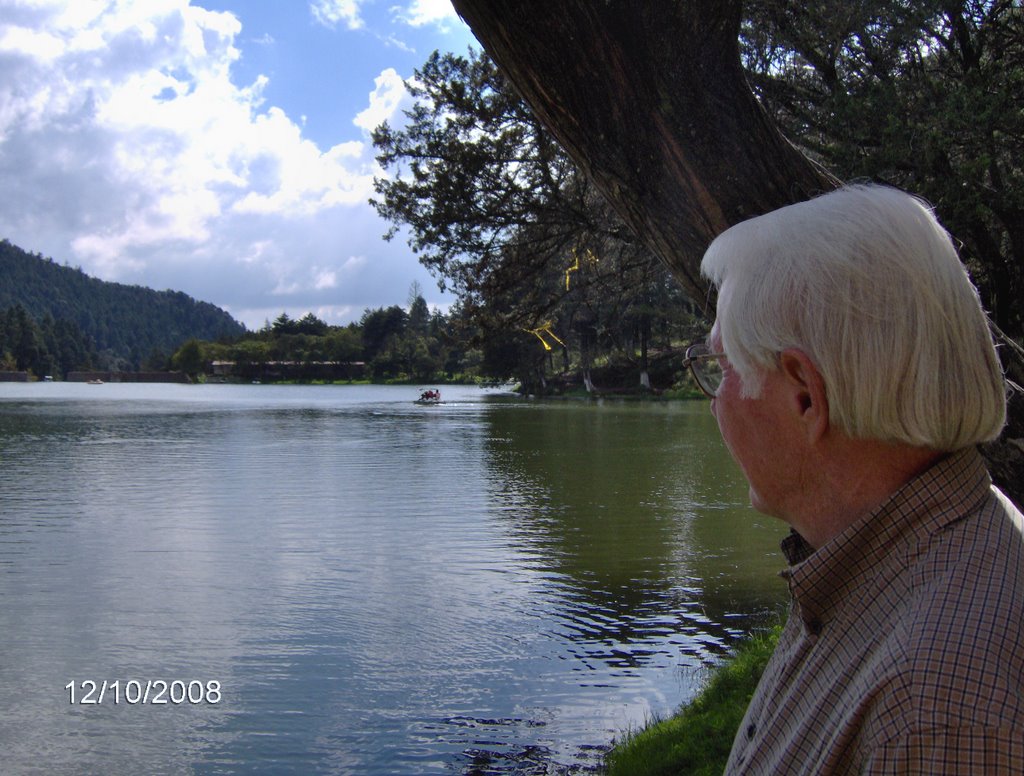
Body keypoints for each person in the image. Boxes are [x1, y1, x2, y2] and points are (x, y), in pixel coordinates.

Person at [683, 184, 1023, 774]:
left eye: (722, 366)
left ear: (806, 396)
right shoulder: (887, 564)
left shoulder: (932, 711)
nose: (715, 404)